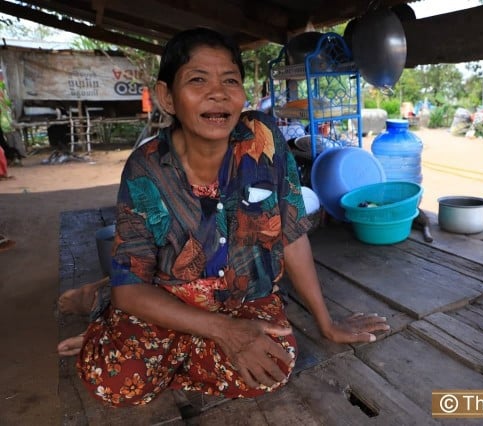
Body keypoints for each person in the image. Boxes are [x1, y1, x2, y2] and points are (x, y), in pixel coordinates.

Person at [64, 28, 388, 407]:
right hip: (170, 298)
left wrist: (326, 323)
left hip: (246, 298)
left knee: (273, 366)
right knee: (117, 383)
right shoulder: (146, 168)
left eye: (229, 80)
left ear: (243, 93)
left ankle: (155, 346)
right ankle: (107, 318)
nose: (217, 93)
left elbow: (292, 233)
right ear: (167, 96)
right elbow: (131, 287)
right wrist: (222, 332)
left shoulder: (263, 139)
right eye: (198, 79)